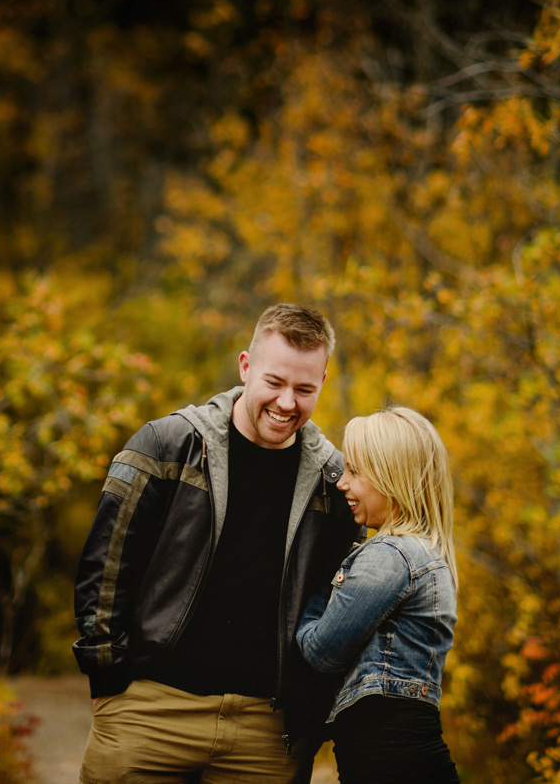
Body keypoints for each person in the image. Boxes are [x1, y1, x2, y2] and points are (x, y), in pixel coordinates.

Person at [73, 303, 362, 784]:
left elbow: (341, 601)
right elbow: (105, 564)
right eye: (275, 382)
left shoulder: (334, 482)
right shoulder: (166, 444)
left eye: (304, 389)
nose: (287, 402)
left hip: (266, 733)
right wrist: (107, 678)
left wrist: (310, 707)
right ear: (246, 367)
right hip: (150, 711)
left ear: (322, 383)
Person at [295, 406, 461, 784]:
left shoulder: (392, 555)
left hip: (393, 763)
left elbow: (322, 651)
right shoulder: (424, 552)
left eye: (354, 472)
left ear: (391, 478)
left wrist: (315, 594)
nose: (342, 484)